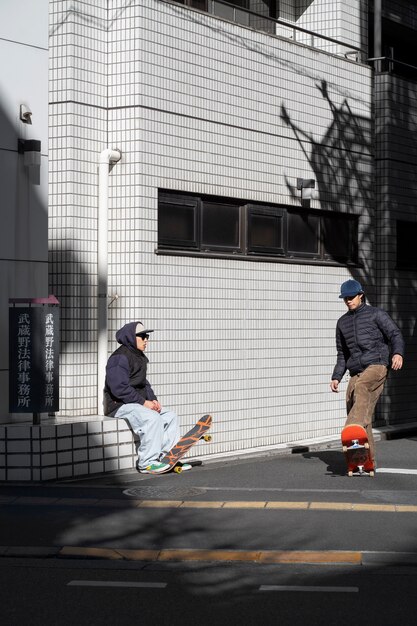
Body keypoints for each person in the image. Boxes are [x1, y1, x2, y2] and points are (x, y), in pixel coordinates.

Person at [330, 279, 404, 466]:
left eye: (351, 297)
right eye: (345, 298)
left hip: (377, 365)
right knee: (354, 403)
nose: (348, 301)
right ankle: (365, 457)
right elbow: (342, 353)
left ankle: (352, 428)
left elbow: (394, 333)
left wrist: (397, 353)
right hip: (356, 369)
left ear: (360, 295)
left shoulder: (376, 314)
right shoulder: (342, 323)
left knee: (361, 388)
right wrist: (336, 376)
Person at [103, 321, 191, 473]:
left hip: (136, 404)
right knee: (152, 418)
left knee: (170, 416)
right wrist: (144, 403)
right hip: (119, 405)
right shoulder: (119, 358)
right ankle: (147, 463)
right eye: (142, 337)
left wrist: (153, 400)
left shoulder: (139, 357)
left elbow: (144, 384)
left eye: (147, 336)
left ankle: (167, 458)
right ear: (131, 337)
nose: (146, 340)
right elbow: (119, 389)